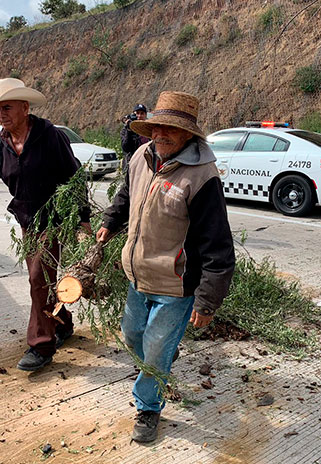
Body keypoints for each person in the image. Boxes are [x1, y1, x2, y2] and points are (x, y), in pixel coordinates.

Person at [96, 91, 235, 443]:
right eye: (156, 128)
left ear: (188, 134)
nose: (160, 135)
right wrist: (111, 221)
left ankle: (148, 407)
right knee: (133, 336)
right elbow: (126, 195)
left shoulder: (202, 176)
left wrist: (207, 301)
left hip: (175, 286)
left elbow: (217, 244)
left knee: (156, 350)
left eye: (170, 130)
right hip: (136, 276)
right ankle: (161, 364)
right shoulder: (143, 156)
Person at [0, 78, 90, 371]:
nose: (1, 114)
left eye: (6, 108)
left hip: (55, 216)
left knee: (39, 278)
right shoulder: (0, 143)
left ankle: (41, 346)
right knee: (41, 279)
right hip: (27, 219)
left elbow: (73, 177)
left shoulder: (50, 136)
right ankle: (62, 325)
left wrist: (82, 219)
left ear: (25, 108)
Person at [120, 103, 149, 173]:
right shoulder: (126, 130)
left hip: (146, 164)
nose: (139, 116)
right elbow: (126, 148)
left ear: (145, 115)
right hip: (132, 164)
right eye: (137, 113)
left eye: (142, 113)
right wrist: (129, 130)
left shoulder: (149, 129)